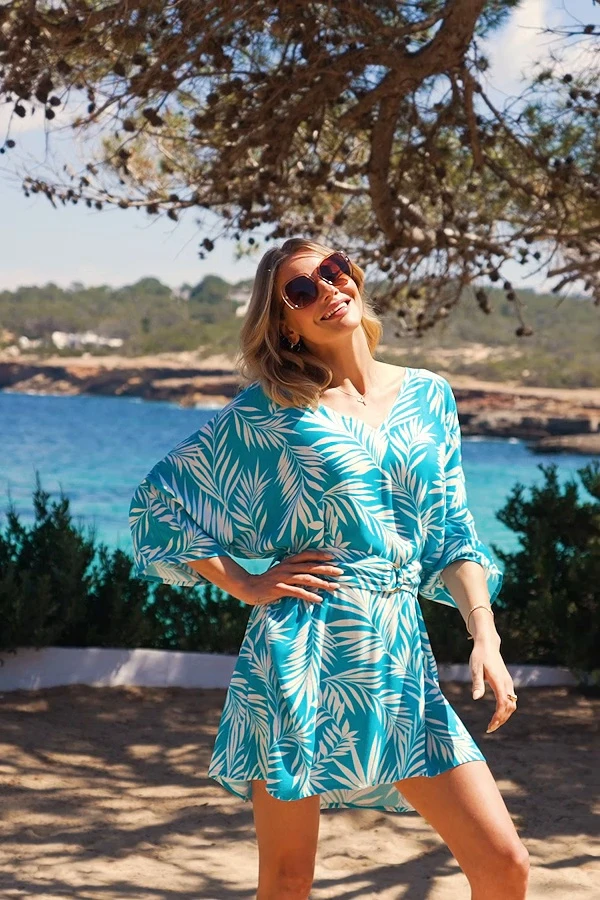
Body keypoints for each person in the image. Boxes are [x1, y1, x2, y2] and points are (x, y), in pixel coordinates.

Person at [129, 238, 529, 900]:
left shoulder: (429, 395)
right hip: (301, 649)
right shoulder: (271, 410)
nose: (328, 289)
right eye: (301, 290)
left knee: (504, 864)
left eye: (334, 271)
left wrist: (483, 634)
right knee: (288, 879)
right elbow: (162, 501)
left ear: (355, 277)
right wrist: (245, 582)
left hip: (399, 653)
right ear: (285, 323)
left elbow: (453, 534)